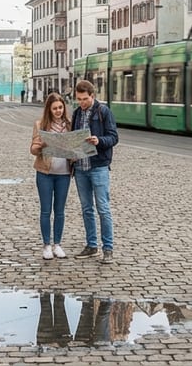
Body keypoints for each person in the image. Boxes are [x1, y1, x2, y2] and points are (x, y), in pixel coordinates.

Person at [70, 79, 119, 263]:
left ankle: (108, 249)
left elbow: (113, 137)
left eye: (84, 99)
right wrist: (71, 152)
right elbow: (74, 138)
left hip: (98, 166)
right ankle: (91, 246)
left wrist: (99, 141)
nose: (81, 103)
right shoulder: (76, 114)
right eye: (79, 99)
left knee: (103, 208)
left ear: (93, 96)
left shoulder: (103, 111)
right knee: (86, 209)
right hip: (80, 168)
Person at [31, 93, 73, 260]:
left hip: (64, 174)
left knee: (60, 211)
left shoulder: (69, 125)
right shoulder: (40, 124)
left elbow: (75, 147)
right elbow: (33, 149)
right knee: (46, 210)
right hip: (45, 173)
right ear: (48, 109)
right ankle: (46, 245)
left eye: (60, 108)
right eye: (54, 108)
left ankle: (57, 244)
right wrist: (40, 145)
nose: (58, 111)